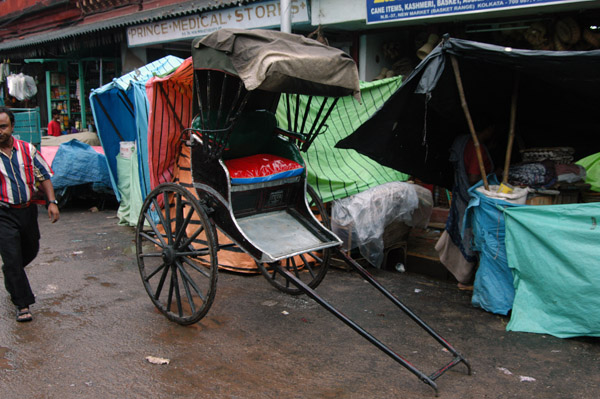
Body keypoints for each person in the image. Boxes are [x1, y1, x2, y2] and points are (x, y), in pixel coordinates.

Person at [0, 107, 59, 322]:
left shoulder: (27, 150)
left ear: (12, 127)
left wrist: (51, 202)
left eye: (3, 126)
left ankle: (11, 273)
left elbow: (43, 176)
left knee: (31, 249)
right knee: (12, 257)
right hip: (3, 213)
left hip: (27, 210)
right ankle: (22, 304)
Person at [435, 121, 495, 290]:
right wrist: (494, 175)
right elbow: (474, 177)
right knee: (471, 236)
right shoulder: (476, 148)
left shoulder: (461, 142)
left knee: (462, 231)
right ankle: (464, 277)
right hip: (471, 198)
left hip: (460, 195)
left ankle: (460, 273)